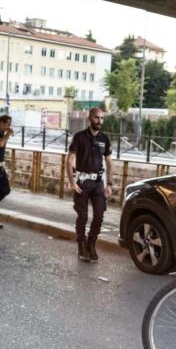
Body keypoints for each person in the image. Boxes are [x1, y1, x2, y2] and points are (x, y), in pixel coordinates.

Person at [63, 106, 111, 262]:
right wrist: (71, 181)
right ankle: (82, 246)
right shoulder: (79, 137)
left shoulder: (104, 139)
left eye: (102, 118)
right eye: (97, 117)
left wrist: (109, 184)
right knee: (82, 217)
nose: (100, 121)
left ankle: (91, 244)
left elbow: (110, 163)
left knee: (99, 216)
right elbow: (69, 160)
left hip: (98, 183)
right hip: (82, 183)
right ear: (90, 118)